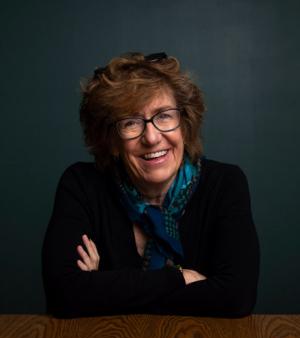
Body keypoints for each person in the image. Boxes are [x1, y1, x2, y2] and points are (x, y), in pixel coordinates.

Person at [42, 52, 260, 318]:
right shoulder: (82, 185)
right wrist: (180, 278)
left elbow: (237, 298)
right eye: (131, 122)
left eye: (164, 116)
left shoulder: (225, 184)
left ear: (185, 124)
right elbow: (63, 295)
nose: (152, 137)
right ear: (111, 141)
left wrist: (103, 289)